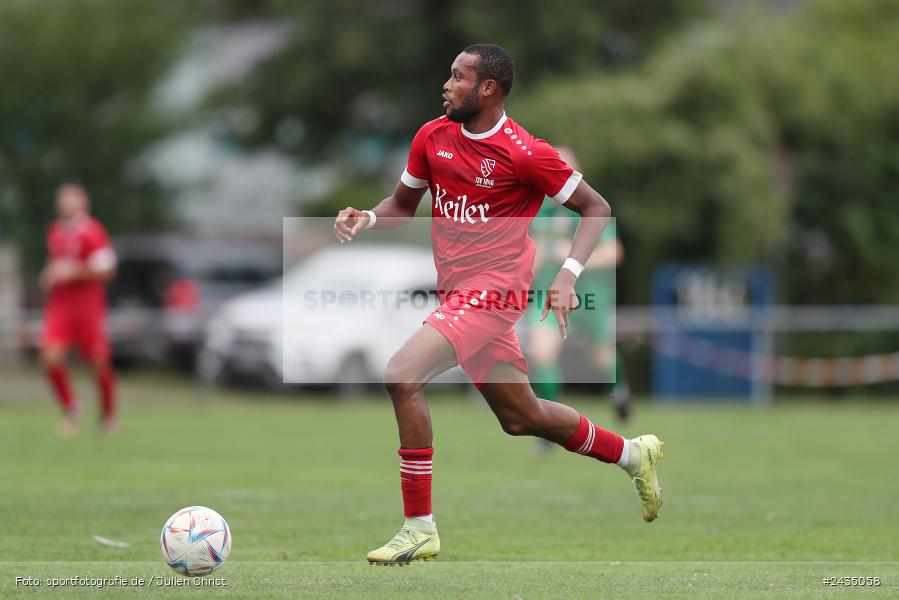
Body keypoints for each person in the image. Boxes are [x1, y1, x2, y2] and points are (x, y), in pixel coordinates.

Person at [334, 44, 664, 566]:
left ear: (488, 89)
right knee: (522, 416)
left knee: (402, 374)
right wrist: (367, 218)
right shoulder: (432, 136)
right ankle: (630, 453)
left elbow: (596, 208)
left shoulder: (526, 152)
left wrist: (569, 275)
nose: (446, 84)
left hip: (496, 291)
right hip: (459, 293)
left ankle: (419, 527)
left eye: (458, 77)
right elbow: (401, 205)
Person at [527, 147, 632, 463]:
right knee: (540, 351)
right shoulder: (537, 208)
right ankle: (549, 429)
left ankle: (621, 392)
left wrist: (571, 259)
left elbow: (614, 252)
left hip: (588, 296)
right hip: (548, 293)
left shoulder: (587, 206)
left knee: (601, 359)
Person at [40, 183, 118, 437]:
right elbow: (57, 265)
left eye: (71, 198)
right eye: (62, 199)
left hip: (88, 307)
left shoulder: (93, 232)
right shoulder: (55, 231)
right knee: (50, 357)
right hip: (61, 306)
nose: (66, 203)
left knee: (98, 362)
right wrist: (50, 274)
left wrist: (75, 271)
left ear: (84, 202)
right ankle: (72, 407)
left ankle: (108, 416)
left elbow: (107, 270)